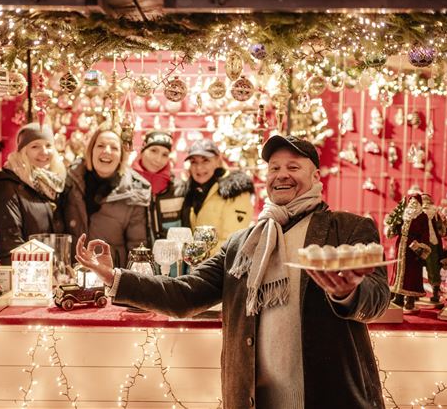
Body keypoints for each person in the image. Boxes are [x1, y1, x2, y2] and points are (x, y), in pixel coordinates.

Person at [76, 134, 390, 409]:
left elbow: (376, 299)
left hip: (330, 398)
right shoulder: (243, 244)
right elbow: (185, 294)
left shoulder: (347, 229)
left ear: (316, 176)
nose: (282, 175)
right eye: (275, 168)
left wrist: (347, 291)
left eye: (293, 167)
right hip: (254, 400)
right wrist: (114, 276)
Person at [62, 126, 150, 268]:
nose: (106, 151)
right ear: (91, 150)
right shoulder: (71, 180)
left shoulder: (135, 192)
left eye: (114, 148)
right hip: (71, 275)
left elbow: (136, 246)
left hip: (110, 277)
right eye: (100, 145)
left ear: (121, 156)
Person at [0, 122, 66, 265]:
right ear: (23, 151)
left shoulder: (47, 186)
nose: (44, 152)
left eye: (48, 146)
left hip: (38, 273)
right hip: (14, 278)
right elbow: (8, 247)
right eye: (35, 146)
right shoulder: (5, 184)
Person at [180, 138, 254, 251]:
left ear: (218, 160)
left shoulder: (235, 191)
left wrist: (199, 254)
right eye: (194, 162)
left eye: (205, 161)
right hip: (196, 265)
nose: (199, 168)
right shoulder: (191, 192)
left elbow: (233, 242)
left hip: (222, 266)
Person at [131, 130, 183, 241]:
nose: (158, 159)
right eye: (153, 151)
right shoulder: (126, 185)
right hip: (135, 255)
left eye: (165, 154)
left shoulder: (178, 188)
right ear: (142, 150)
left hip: (169, 255)